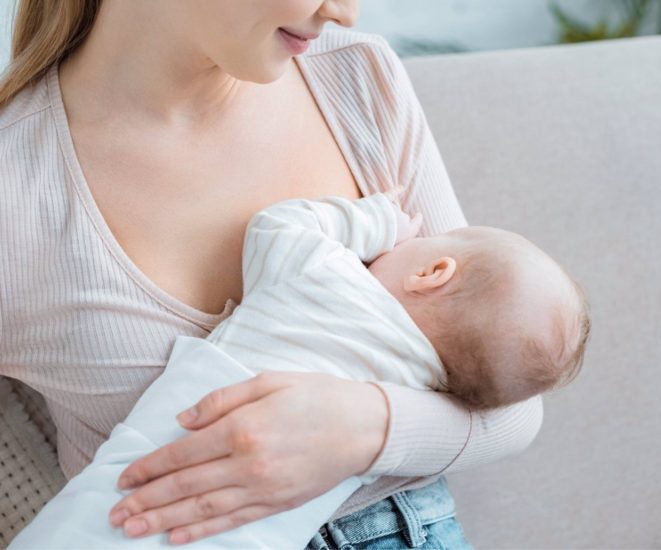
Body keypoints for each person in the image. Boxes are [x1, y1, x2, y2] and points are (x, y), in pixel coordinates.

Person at [0, 1, 544, 547]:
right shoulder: (16, 188)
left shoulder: (356, 77)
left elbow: (511, 412)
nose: (344, 13)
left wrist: (361, 427)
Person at [9, 191, 588, 548]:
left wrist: (379, 220)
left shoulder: (328, 278)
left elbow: (278, 225)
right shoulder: (428, 386)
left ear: (432, 271)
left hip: (133, 498)